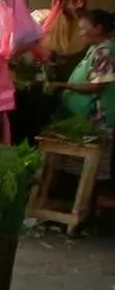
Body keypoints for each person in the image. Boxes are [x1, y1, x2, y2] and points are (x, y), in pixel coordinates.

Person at [50, 9, 115, 181]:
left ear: (98, 28)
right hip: (89, 116)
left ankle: (90, 202)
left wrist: (64, 85)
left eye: (83, 28)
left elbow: (97, 87)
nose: (80, 33)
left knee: (94, 169)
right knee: (83, 167)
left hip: (100, 118)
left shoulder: (105, 52)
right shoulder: (96, 49)